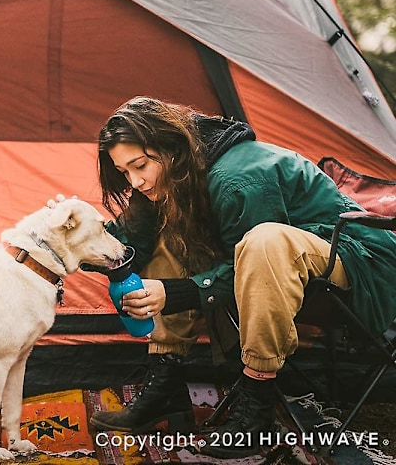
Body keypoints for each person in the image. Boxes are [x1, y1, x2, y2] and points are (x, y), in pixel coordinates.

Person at [88, 96, 396, 459]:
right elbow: (129, 240)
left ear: (169, 147)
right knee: (171, 231)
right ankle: (165, 383)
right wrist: (73, 236)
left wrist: (175, 293)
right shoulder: (177, 174)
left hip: (356, 265)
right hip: (288, 274)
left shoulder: (239, 180)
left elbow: (252, 262)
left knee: (265, 240)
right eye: (125, 172)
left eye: (139, 165)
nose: (135, 181)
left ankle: (257, 405)